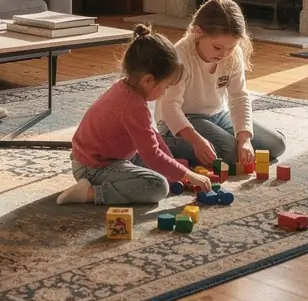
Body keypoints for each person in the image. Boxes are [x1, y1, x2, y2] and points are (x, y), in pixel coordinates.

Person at [56, 25, 213, 206]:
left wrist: (173, 163)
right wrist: (188, 174)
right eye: (166, 86)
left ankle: (111, 182)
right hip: (93, 167)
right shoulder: (134, 107)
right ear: (148, 80)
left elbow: (151, 135)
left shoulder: (125, 87)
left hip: (107, 157)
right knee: (158, 185)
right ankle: (91, 192)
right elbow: (152, 154)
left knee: (166, 170)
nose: (165, 92)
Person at [156, 0, 286, 168]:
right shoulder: (180, 57)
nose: (224, 54)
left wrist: (245, 138)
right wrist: (196, 141)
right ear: (198, 32)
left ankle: (223, 142)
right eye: (218, 47)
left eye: (231, 48)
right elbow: (170, 108)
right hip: (180, 121)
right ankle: (166, 145)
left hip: (218, 115)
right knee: (230, 155)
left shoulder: (232, 55)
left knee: (276, 145)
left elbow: (239, 97)